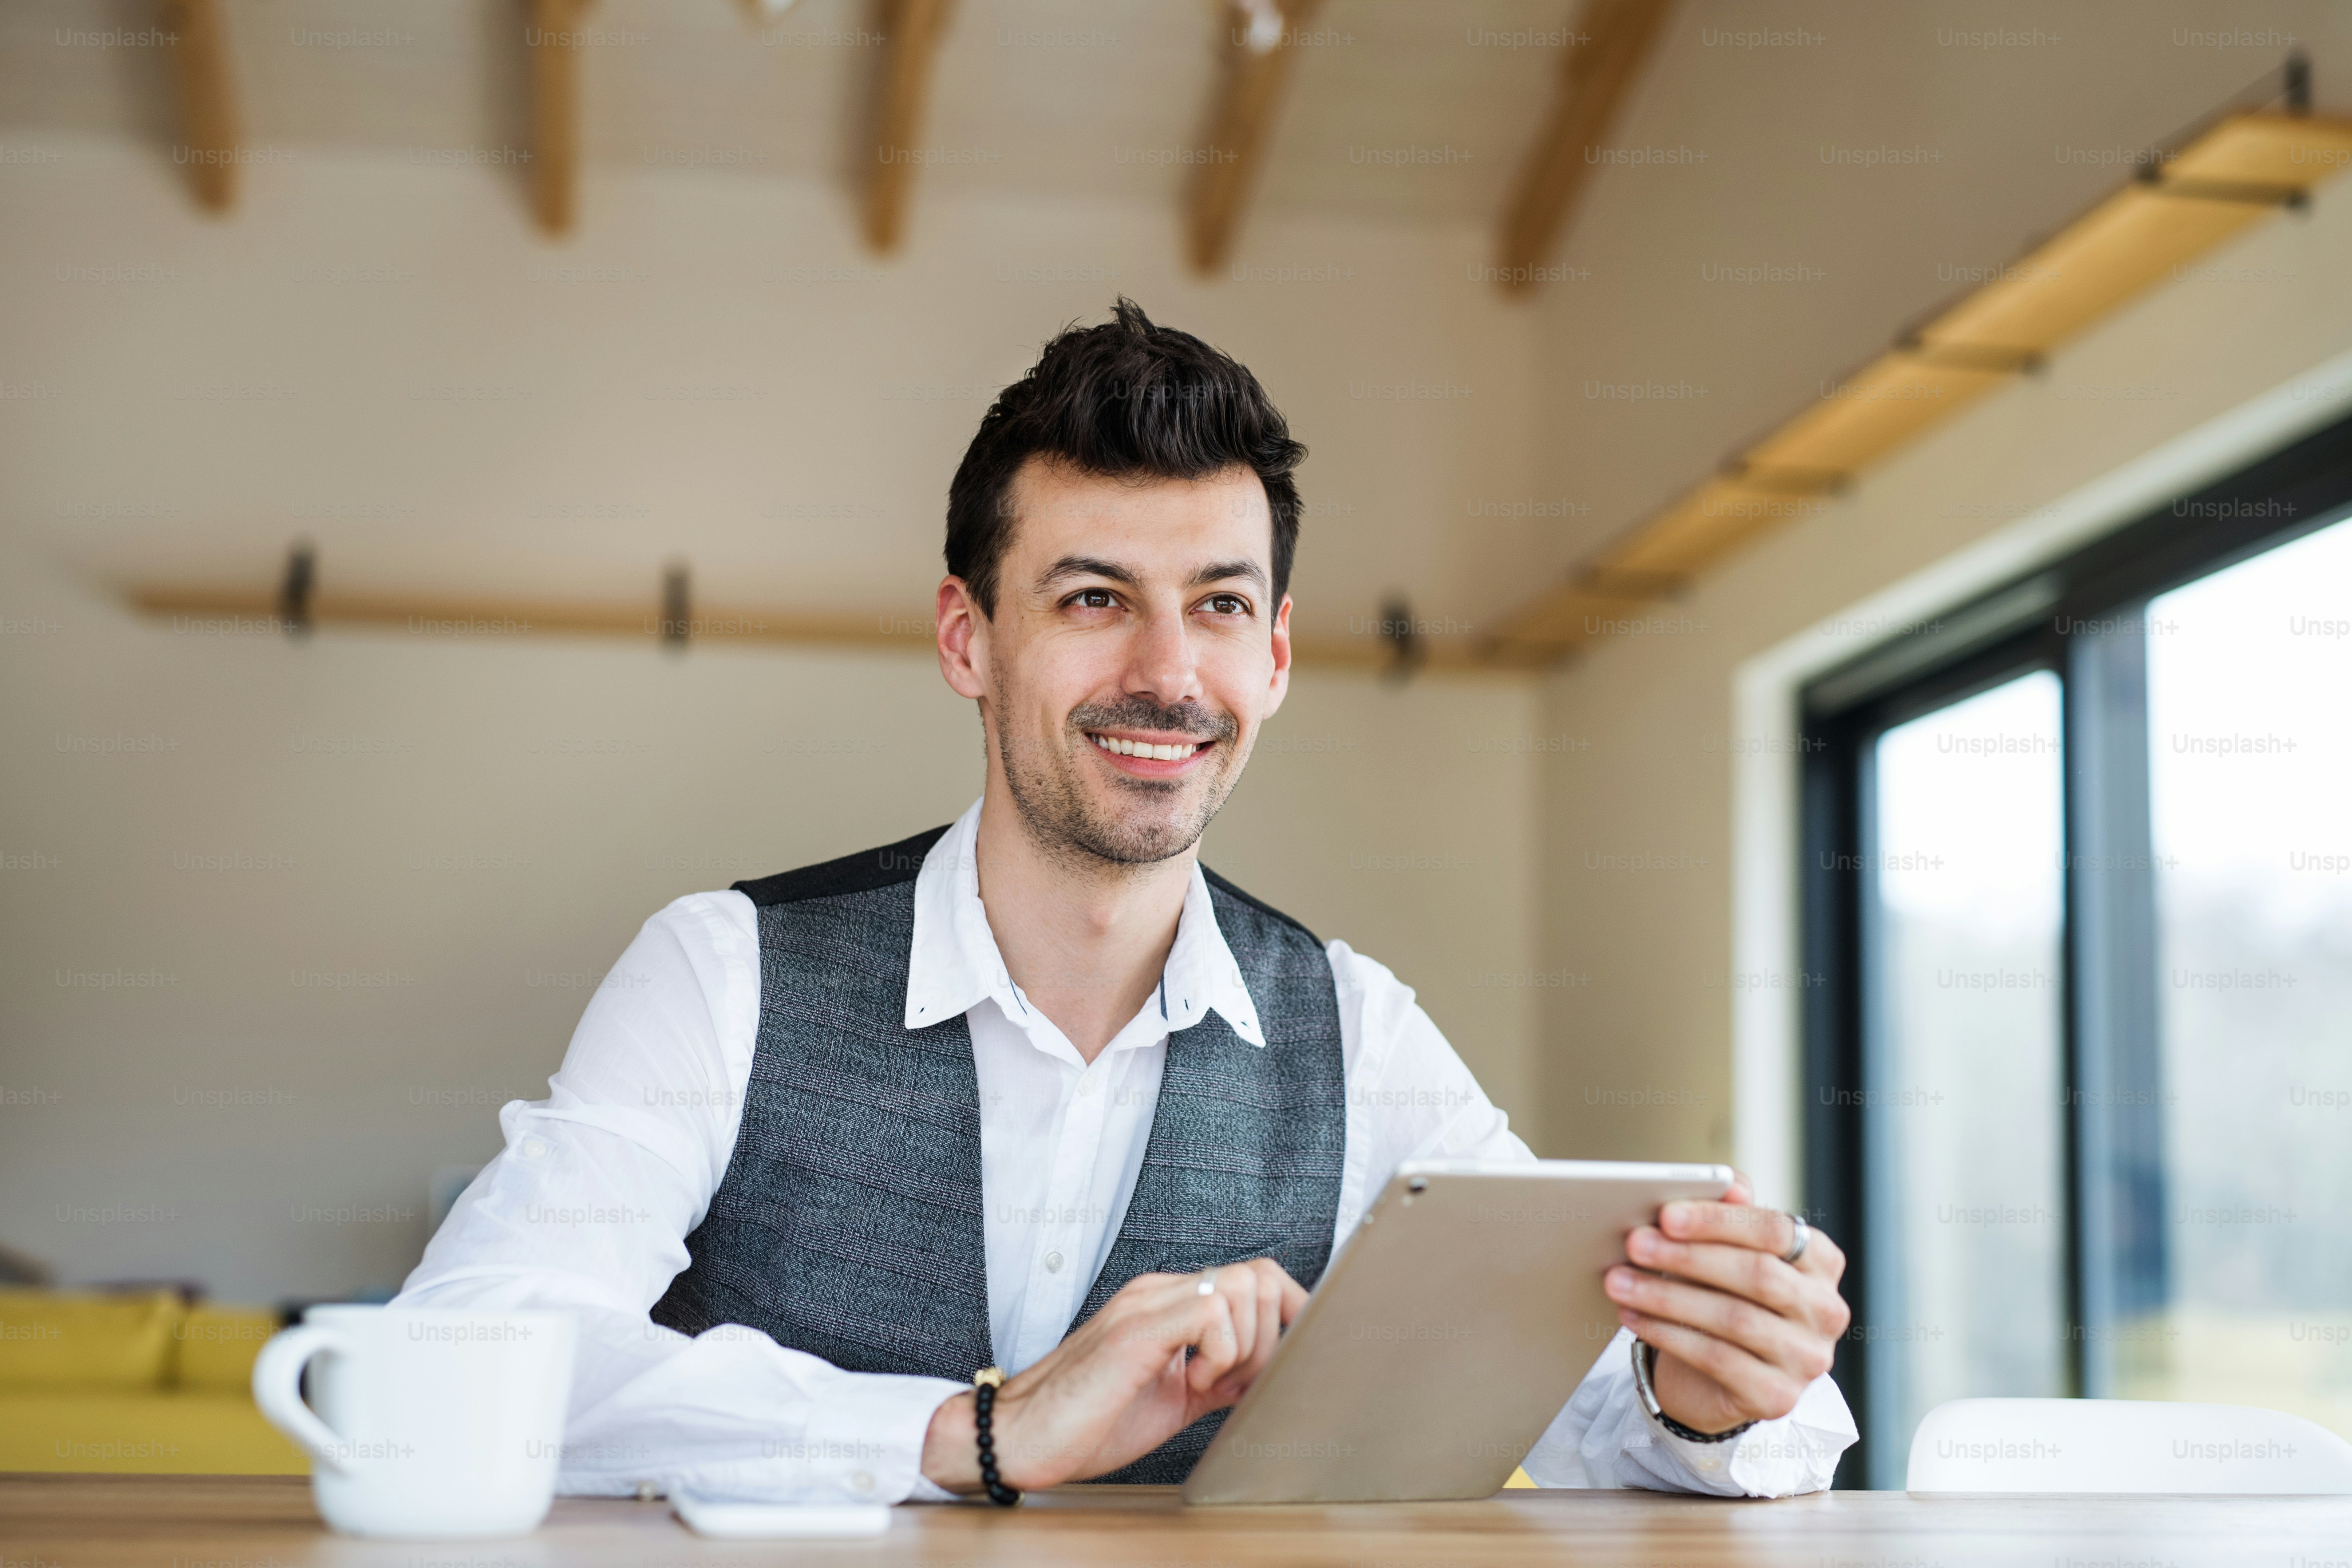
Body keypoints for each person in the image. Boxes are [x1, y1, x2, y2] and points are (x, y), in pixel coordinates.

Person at [396, 299, 1857, 1502]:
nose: (1167, 672)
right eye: (1094, 598)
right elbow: (469, 1354)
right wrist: (970, 1436)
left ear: (1274, 656)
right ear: (970, 639)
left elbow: (1607, 1427)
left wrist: (1707, 1391)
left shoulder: (1354, 1030)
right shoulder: (724, 972)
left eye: (1218, 604)